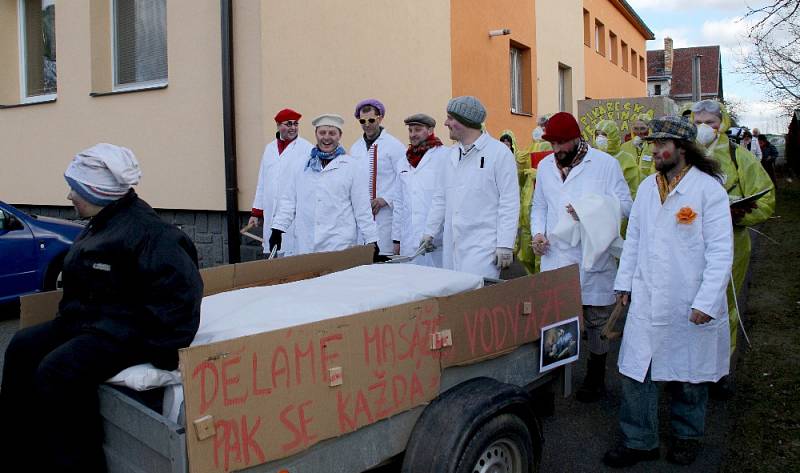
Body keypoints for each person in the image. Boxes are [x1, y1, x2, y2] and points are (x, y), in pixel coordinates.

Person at [0, 144, 203, 472]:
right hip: (90, 321)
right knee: (22, 347)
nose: (69, 196)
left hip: (128, 332)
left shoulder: (150, 234)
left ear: (98, 192)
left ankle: (79, 464)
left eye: (75, 189)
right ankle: (21, 453)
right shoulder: (104, 220)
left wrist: (157, 351)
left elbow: (182, 305)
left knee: (56, 372)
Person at [603, 116, 733, 468]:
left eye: (663, 144)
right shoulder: (648, 188)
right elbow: (635, 241)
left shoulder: (709, 192)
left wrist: (706, 301)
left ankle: (687, 437)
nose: (655, 150)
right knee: (636, 371)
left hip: (687, 298)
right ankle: (639, 440)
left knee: (689, 376)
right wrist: (624, 283)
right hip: (647, 297)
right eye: (653, 143)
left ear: (683, 149)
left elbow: (721, 252)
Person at [531, 112, 633, 402]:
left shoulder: (605, 165)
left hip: (592, 256)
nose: (557, 150)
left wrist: (590, 209)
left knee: (595, 319)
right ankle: (555, 378)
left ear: (577, 139)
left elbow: (626, 206)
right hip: (555, 256)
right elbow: (539, 206)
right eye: (553, 144)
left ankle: (596, 375)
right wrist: (538, 233)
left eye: (563, 143)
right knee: (556, 318)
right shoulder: (546, 168)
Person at [691, 99, 775, 362]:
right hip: (687, 244)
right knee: (688, 302)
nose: (704, 128)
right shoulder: (683, 155)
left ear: (722, 124)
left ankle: (721, 361)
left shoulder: (741, 157)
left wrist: (738, 215)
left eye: (710, 123)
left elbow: (766, 198)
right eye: (698, 123)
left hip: (731, 244)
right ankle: (688, 362)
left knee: (723, 303)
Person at [422, 96, 520, 278]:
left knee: (478, 299)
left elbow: (509, 202)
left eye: (450, 118)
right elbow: (440, 199)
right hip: (452, 245)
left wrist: (505, 244)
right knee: (454, 298)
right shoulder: (450, 156)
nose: (445, 123)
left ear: (464, 121)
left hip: (484, 248)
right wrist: (430, 232)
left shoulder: (499, 154)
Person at [271, 114, 381, 259]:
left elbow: (362, 208)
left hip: (339, 244)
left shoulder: (352, 167)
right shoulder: (301, 165)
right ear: (316, 134)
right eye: (322, 132)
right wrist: (278, 229)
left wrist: (371, 239)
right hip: (306, 243)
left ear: (339, 136)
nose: (327, 138)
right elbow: (289, 201)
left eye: (332, 133)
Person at [248, 108, 313, 256]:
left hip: (294, 214)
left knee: (292, 253)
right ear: (278, 125)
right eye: (288, 124)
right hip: (271, 210)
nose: (293, 127)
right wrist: (256, 212)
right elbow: (262, 181)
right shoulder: (269, 148)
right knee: (273, 253)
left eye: (295, 124)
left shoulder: (307, 149)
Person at [392, 113, 450, 266]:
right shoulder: (403, 161)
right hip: (408, 238)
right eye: (410, 130)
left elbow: (447, 198)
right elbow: (398, 202)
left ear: (430, 130)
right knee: (410, 284)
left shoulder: (445, 156)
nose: (413, 134)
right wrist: (396, 239)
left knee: (438, 285)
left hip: (435, 239)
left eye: (417, 130)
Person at [349, 99, 406, 256]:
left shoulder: (394, 146)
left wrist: (385, 199)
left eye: (371, 120)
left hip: (386, 217)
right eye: (362, 121)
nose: (367, 124)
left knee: (384, 260)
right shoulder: (355, 148)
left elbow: (404, 179)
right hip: (362, 217)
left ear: (380, 118)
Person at [594, 119, 641, 198]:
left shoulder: (627, 160)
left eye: (604, 134)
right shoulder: (593, 157)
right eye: (597, 134)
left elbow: (633, 190)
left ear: (613, 136)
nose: (600, 137)